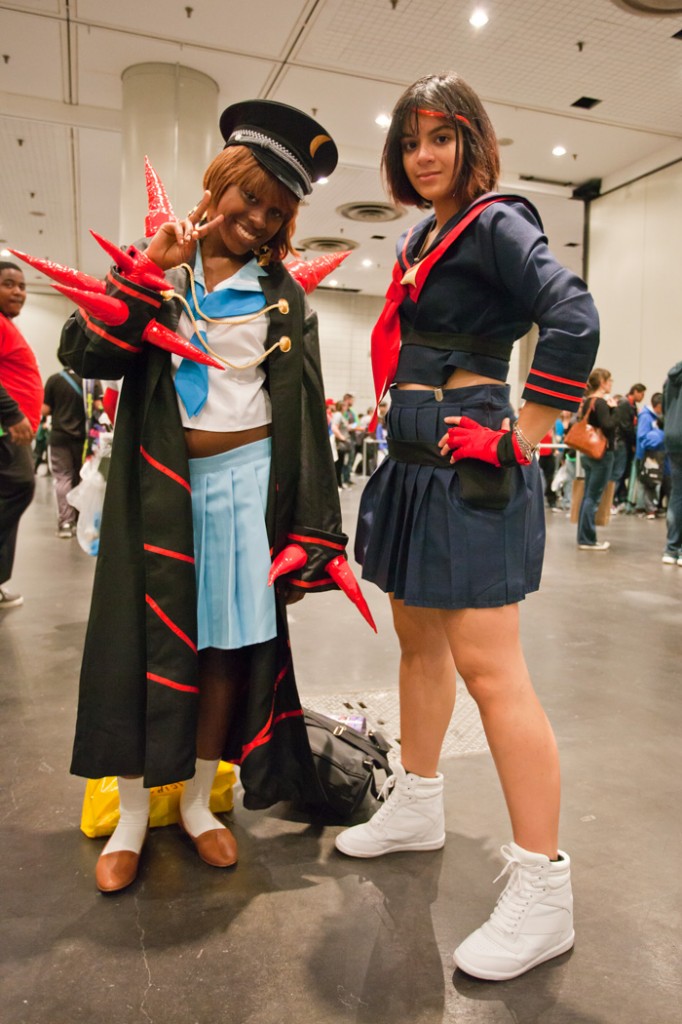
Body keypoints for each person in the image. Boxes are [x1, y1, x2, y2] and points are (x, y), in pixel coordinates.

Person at [334, 72, 599, 982]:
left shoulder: (496, 221)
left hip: (469, 469)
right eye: (410, 142)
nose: (424, 155)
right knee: (417, 644)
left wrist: (527, 431)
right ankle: (419, 801)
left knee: (495, 673)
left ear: (471, 141)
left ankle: (543, 888)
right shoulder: (422, 234)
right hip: (415, 467)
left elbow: (572, 314)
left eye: (440, 138)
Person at [57, 100, 348, 893]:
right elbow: (86, 352)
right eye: (246, 196)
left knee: (225, 650)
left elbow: (306, 421)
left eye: (275, 210)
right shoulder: (162, 267)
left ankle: (194, 806)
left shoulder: (285, 300)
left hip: (247, 491)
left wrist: (316, 531)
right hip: (158, 489)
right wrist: (146, 271)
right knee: (138, 645)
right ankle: (127, 815)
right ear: (218, 181)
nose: (255, 218)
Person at [0, 261, 43, 609]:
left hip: (11, 430)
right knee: (20, 485)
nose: (18, 292)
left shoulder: (6, 326)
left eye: (22, 286)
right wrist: (13, 414)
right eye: (8, 284)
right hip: (5, 429)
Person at [42, 362, 92, 538]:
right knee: (82, 477)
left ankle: (65, 522)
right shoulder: (89, 382)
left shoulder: (54, 380)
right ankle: (81, 520)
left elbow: (45, 409)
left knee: (63, 478)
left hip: (59, 437)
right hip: (83, 438)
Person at [576, 368, 617, 549]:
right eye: (609, 380)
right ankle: (588, 539)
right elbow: (608, 426)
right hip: (601, 454)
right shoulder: (600, 403)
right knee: (592, 497)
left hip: (588, 453)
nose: (611, 383)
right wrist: (615, 411)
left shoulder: (588, 402)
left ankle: (584, 537)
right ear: (602, 382)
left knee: (588, 496)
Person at [611, 382, 646, 509]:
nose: (642, 396)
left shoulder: (632, 405)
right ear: (635, 391)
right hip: (621, 442)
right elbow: (626, 426)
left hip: (624, 442)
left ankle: (618, 498)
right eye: (642, 393)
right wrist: (633, 442)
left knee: (622, 472)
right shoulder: (625, 404)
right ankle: (610, 501)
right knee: (618, 472)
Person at [662, 362, 682, 565]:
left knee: (677, 494)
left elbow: (666, 410)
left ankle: (671, 549)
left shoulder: (671, 377)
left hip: (673, 438)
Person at [635, 392, 665, 518]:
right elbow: (642, 437)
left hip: (655, 455)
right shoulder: (646, 417)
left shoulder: (654, 416)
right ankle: (646, 508)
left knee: (652, 483)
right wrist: (658, 435)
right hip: (646, 455)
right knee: (648, 483)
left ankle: (651, 507)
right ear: (658, 405)